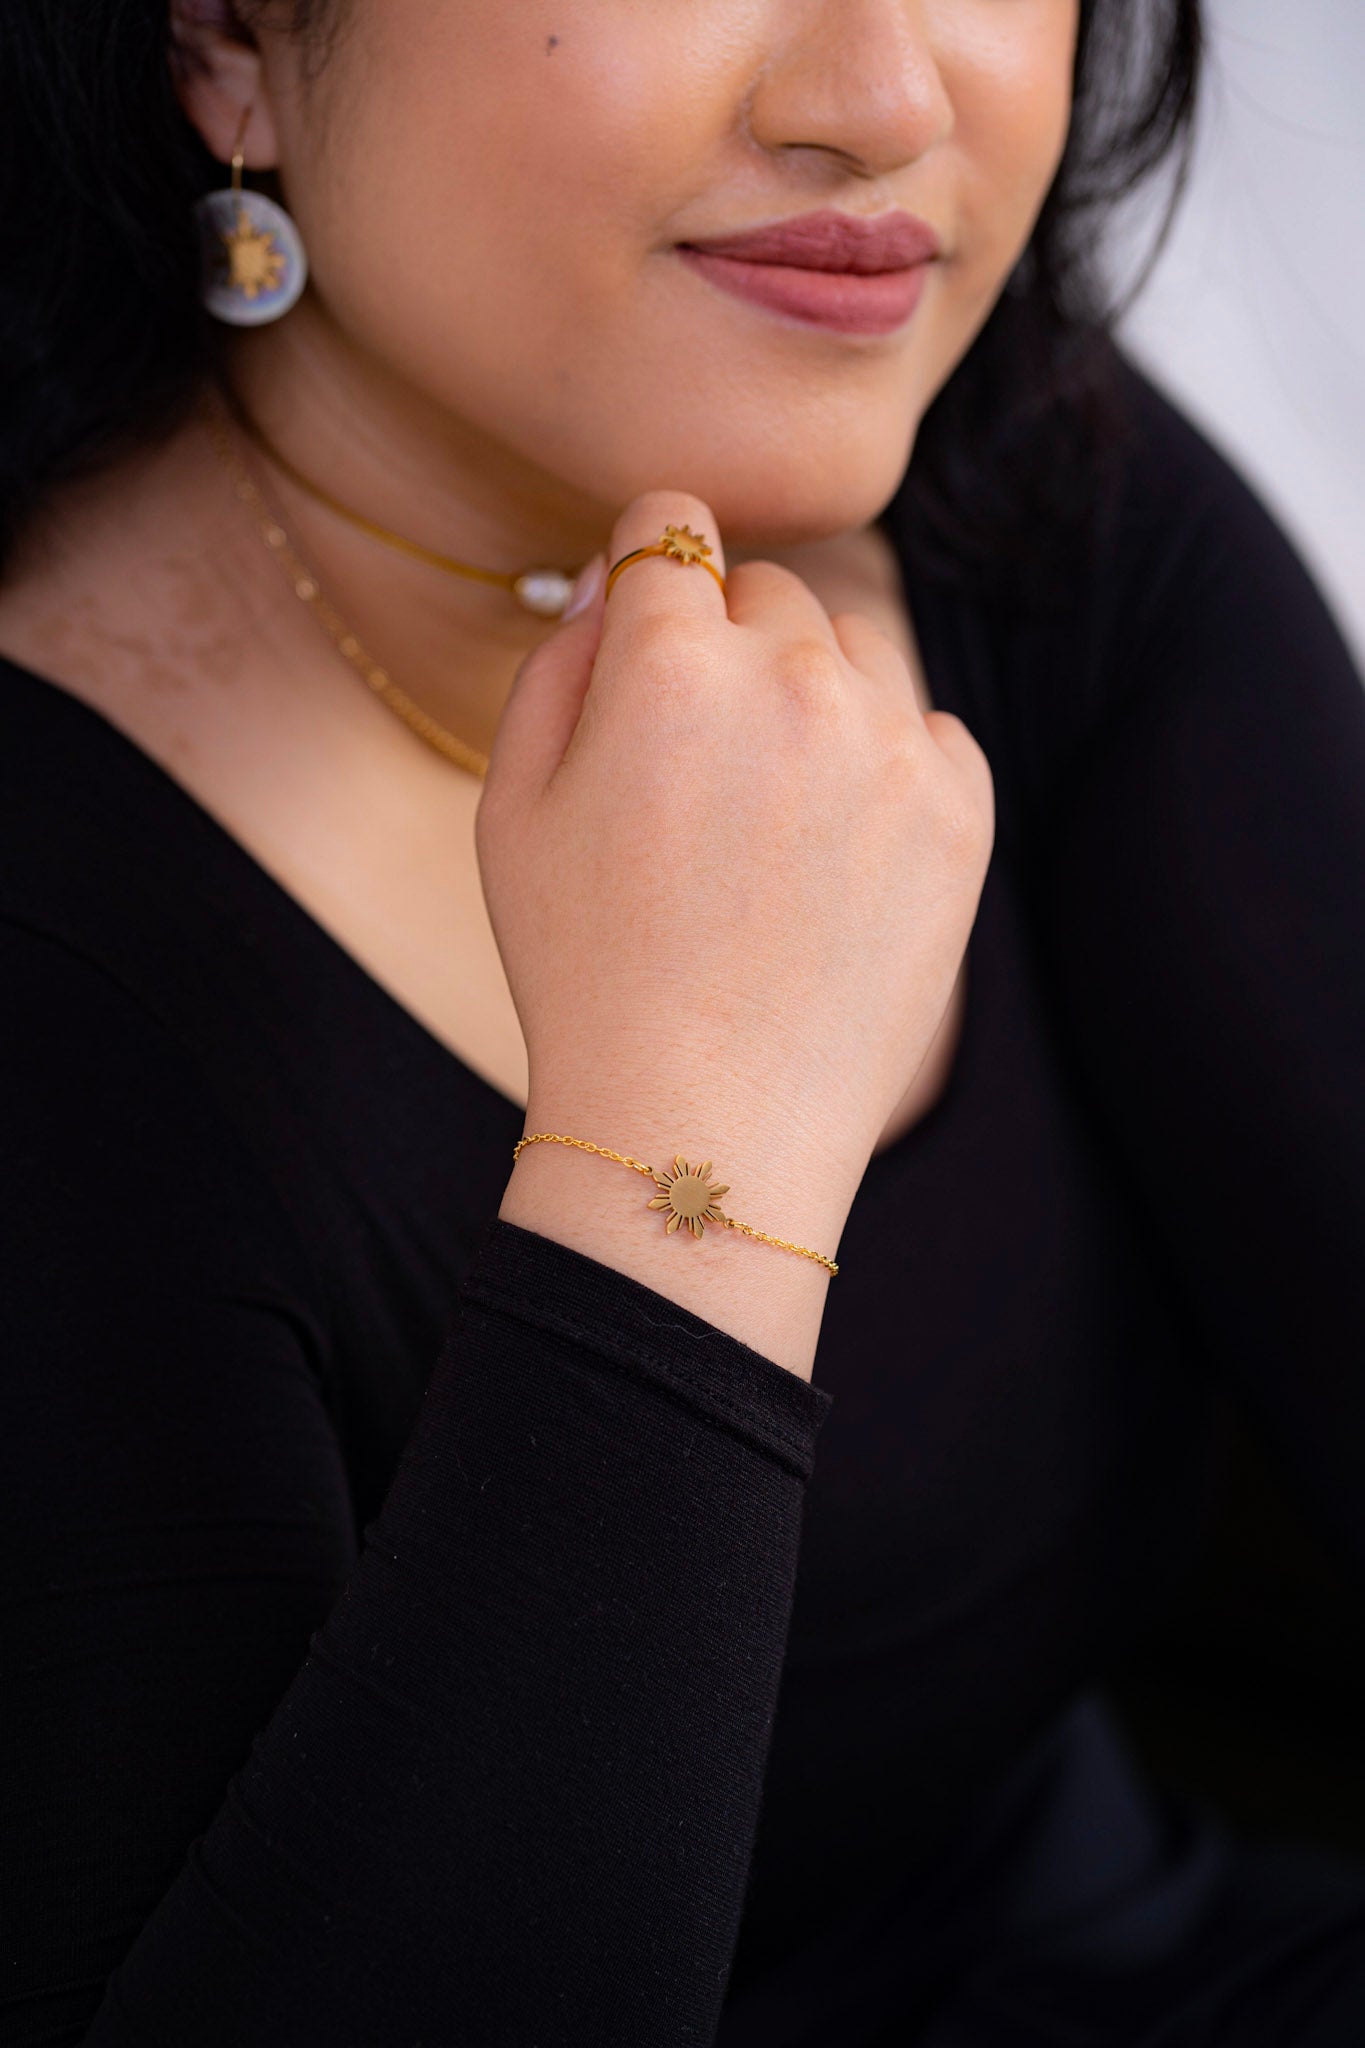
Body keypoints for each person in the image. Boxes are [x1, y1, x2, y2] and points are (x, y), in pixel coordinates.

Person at [1, 0, 1363, 2042]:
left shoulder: (1027, 478)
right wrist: (684, 1151)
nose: (889, 98)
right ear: (226, 41)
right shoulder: (64, 960)